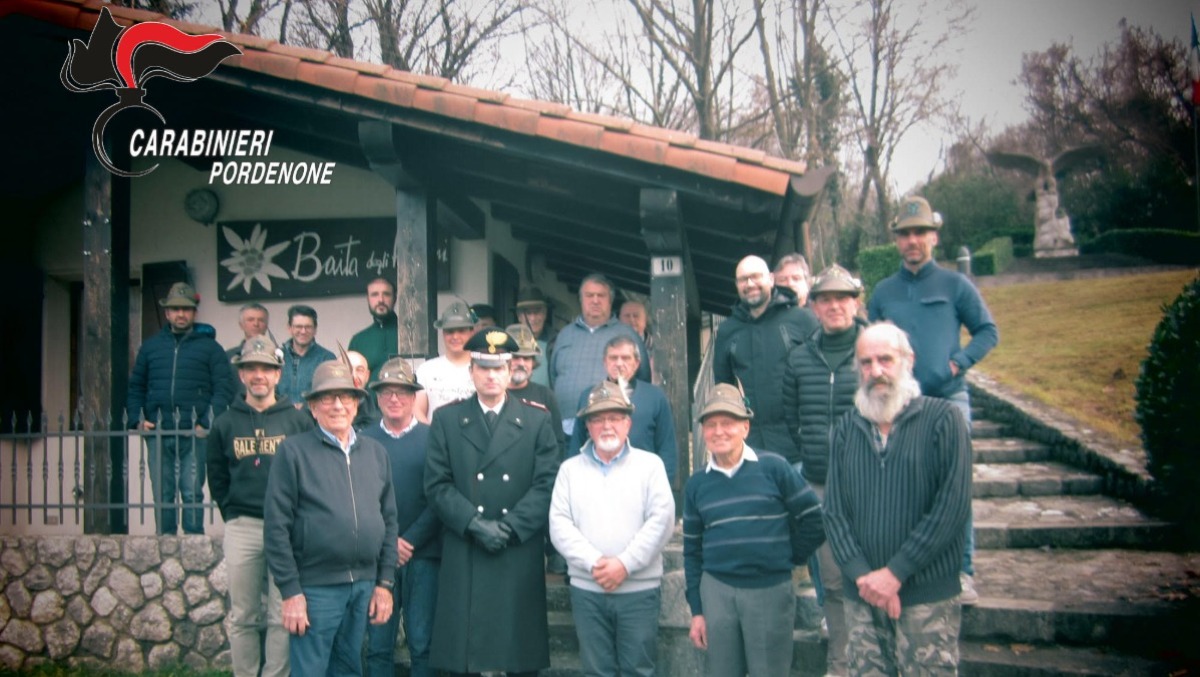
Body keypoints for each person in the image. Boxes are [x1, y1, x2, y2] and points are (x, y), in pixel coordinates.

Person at [867, 195, 999, 603]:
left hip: (947, 399)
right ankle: (910, 571)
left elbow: (987, 332)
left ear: (933, 237)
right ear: (896, 241)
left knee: (953, 487)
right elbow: (870, 343)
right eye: (905, 234)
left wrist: (956, 364)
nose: (912, 240)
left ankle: (962, 571)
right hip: (899, 406)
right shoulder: (884, 292)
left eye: (919, 233)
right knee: (903, 490)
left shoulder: (955, 285)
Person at [824, 323, 972, 675]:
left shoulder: (944, 420)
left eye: (885, 360)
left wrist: (895, 573)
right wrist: (865, 578)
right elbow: (833, 512)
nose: (876, 371)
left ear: (908, 361)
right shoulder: (846, 428)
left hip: (927, 597)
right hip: (862, 599)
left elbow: (952, 508)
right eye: (866, 362)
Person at [424, 329, 561, 676]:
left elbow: (547, 484)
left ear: (509, 370)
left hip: (515, 547)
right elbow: (437, 485)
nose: (490, 375)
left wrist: (511, 527)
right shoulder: (447, 419)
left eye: (498, 368)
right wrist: (473, 523)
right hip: (466, 545)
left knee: (517, 657)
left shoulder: (536, 419)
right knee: (466, 660)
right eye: (483, 368)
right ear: (471, 372)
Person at [264, 358, 399, 675]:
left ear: (356, 404)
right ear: (313, 407)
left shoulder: (376, 453)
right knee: (311, 671)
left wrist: (384, 583)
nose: (338, 405)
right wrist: (291, 592)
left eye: (346, 397)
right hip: (315, 590)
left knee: (349, 668)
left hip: (364, 585)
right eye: (327, 397)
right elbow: (276, 527)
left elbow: (389, 521)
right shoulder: (293, 453)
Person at [684, 384, 825, 677]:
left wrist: (787, 557)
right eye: (711, 425)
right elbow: (692, 551)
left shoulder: (774, 467)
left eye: (728, 423)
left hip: (769, 591)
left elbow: (815, 519)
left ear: (745, 427)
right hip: (717, 591)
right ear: (703, 432)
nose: (719, 431)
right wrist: (697, 611)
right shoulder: (697, 484)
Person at [549, 381, 675, 677]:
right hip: (587, 591)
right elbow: (559, 525)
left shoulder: (651, 466)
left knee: (638, 670)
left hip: (639, 592)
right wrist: (597, 563)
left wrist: (624, 564)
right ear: (587, 426)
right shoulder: (569, 470)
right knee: (595, 671)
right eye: (597, 419)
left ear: (628, 423)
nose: (607, 425)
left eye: (615, 418)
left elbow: (662, 520)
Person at [207, 336, 314, 677]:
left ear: (278, 374)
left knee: (281, 613)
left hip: (286, 527)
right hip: (244, 527)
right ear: (241, 375)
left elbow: (308, 471)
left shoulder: (297, 421)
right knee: (243, 616)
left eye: (266, 369)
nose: (258, 375)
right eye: (251, 369)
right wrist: (233, 514)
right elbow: (217, 477)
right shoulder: (224, 423)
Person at [781, 263, 867, 676]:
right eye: (826, 299)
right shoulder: (800, 358)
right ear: (813, 307)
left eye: (842, 298)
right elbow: (789, 416)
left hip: (871, 486)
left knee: (873, 576)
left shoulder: (873, 353)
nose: (835, 306)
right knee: (833, 582)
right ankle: (841, 665)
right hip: (819, 484)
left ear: (855, 303)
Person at [127, 282, 233, 535]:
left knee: (191, 489)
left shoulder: (211, 348)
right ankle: (165, 539)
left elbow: (223, 389)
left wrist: (206, 422)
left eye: (186, 309)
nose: (181, 314)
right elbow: (135, 387)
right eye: (175, 309)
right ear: (167, 313)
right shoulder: (151, 348)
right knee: (162, 491)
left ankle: (194, 539)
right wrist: (138, 419)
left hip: (194, 433)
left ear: (194, 312)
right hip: (158, 431)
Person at [361, 358, 440, 677]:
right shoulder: (362, 441)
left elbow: (441, 495)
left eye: (402, 392)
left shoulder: (433, 438)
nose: (395, 398)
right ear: (377, 397)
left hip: (424, 554)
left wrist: (410, 540)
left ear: (414, 397)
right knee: (379, 646)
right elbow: (358, 499)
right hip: (378, 557)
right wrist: (387, 543)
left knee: (423, 644)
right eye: (387, 392)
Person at [712, 255, 818, 459]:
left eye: (755, 276)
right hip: (753, 447)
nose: (750, 284)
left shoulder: (802, 320)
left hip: (799, 446)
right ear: (737, 285)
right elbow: (724, 389)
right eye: (743, 279)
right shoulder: (727, 331)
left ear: (770, 279)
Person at [550, 273, 650, 437]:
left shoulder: (628, 335)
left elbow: (643, 378)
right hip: (567, 428)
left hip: (610, 427)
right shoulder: (564, 335)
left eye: (601, 296)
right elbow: (554, 376)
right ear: (581, 299)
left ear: (610, 301)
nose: (595, 300)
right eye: (589, 295)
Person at [568, 335, 677, 483]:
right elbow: (576, 446)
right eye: (613, 358)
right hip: (595, 483)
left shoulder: (655, 397)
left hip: (642, 483)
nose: (619, 363)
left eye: (625, 358)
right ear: (605, 362)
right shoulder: (588, 396)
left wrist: (660, 487)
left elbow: (667, 449)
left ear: (636, 363)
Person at [505, 323, 568, 575]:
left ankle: (553, 553)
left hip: (539, 480)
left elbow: (558, 441)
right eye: (515, 356)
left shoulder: (546, 396)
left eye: (526, 358)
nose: (520, 363)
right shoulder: (491, 394)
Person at [414, 302, 478, 423]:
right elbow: (417, 410)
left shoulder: (483, 367)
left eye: (461, 330)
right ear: (443, 333)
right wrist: (435, 436)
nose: (455, 336)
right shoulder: (426, 369)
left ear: (472, 332)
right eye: (450, 331)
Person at [277, 304, 335, 407]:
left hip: (313, 419)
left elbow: (330, 395)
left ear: (315, 329)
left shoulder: (327, 359)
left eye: (308, 327)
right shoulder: (276, 356)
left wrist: (304, 407)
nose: (303, 331)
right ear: (289, 328)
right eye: (298, 326)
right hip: (280, 417)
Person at [349, 277, 399, 379]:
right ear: (368, 299)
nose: (381, 300)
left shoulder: (413, 335)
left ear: (395, 298)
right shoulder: (358, 341)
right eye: (374, 294)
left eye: (386, 294)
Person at [514, 286, 555, 386]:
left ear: (545, 314)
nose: (533, 318)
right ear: (519, 317)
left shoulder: (557, 342)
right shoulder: (509, 343)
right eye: (528, 313)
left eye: (537, 312)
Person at [349, 350, 381, 430]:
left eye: (359, 370)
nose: (354, 376)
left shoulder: (379, 423)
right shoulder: (320, 417)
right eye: (347, 369)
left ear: (367, 376)